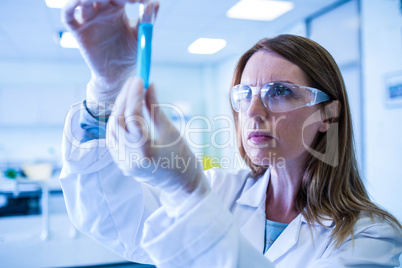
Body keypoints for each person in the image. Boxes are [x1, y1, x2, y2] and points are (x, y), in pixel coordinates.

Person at [59, 0, 402, 267]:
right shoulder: (223, 189)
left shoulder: (373, 237)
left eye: (279, 91)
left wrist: (187, 192)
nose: (253, 112)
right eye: (244, 94)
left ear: (327, 113)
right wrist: (107, 86)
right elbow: (111, 219)